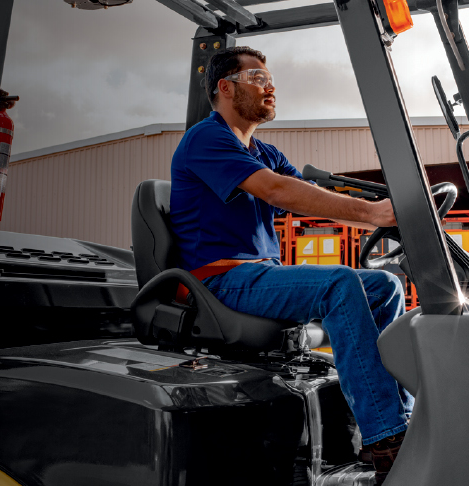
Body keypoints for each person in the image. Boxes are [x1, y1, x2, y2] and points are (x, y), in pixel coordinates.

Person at [168, 46, 409, 482]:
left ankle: (401, 416)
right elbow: (279, 191)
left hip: (260, 275)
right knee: (339, 284)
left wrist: (378, 205)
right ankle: (386, 437)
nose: (270, 86)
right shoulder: (206, 139)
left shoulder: (263, 151)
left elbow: (302, 192)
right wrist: (373, 214)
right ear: (226, 87)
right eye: (258, 78)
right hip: (221, 278)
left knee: (384, 287)